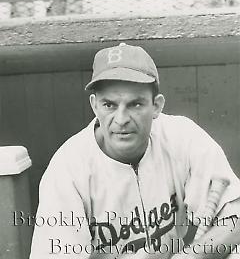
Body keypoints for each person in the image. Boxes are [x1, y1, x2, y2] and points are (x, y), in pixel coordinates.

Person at [29, 43, 240, 259]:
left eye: (135, 104)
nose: (121, 120)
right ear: (94, 105)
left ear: (156, 106)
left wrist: (193, 256)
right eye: (109, 105)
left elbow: (236, 217)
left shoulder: (182, 137)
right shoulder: (68, 169)